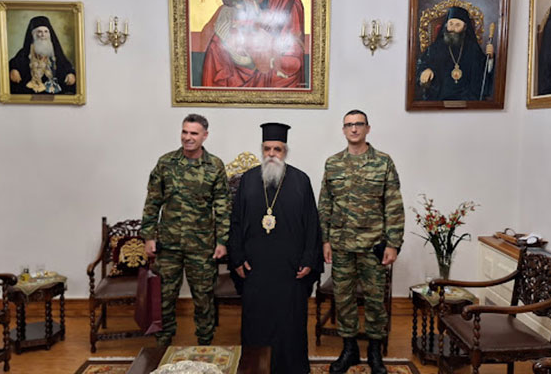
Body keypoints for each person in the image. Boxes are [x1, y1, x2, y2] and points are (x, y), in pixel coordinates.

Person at [228, 123, 322, 374]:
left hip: (290, 270)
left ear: (285, 151)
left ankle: (292, 368)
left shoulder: (301, 180)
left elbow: (312, 224)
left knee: (290, 322)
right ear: (262, 150)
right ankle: (255, 367)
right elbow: (235, 221)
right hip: (255, 268)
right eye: (267, 148)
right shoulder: (248, 180)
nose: (271, 154)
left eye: (277, 149)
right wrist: (237, 257)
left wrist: (309, 259)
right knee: (256, 321)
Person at [318, 110, 405, 374]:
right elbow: (325, 204)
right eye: (349, 125)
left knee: (375, 300)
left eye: (359, 124)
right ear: (343, 130)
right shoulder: (333, 163)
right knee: (343, 299)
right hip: (342, 245)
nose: (354, 129)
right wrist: (325, 240)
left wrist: (393, 244)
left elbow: (393, 204)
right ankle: (350, 349)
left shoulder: (383, 162)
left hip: (373, 245)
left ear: (368, 128)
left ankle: (374, 352)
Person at [140, 114, 231, 347]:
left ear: (204, 136)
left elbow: (223, 206)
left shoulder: (214, 166)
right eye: (184, 132)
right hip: (168, 245)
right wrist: (148, 237)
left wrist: (222, 241)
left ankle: (205, 344)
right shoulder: (166, 163)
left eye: (193, 133)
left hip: (201, 246)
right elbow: (152, 202)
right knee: (164, 297)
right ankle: (163, 344)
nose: (188, 138)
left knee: (204, 297)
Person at [201, 0, 305, 88]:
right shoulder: (228, 11)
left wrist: (272, 60)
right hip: (236, 89)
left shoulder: (289, 3)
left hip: (274, 87)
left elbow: (293, 62)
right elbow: (215, 62)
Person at [416, 6, 494, 101]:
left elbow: (483, 72)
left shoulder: (472, 48)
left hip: (467, 99)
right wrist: (425, 70)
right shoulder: (436, 47)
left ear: (464, 27)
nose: (453, 28)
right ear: (446, 25)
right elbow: (422, 64)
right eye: (451, 24)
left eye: (458, 25)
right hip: (440, 98)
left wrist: (490, 57)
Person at [8, 16, 76, 95]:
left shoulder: (56, 52)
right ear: (33, 34)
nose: (43, 35)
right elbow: (14, 65)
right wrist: (14, 70)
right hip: (30, 93)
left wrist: (70, 74)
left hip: (53, 94)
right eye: (39, 32)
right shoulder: (25, 52)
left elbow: (67, 67)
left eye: (46, 31)